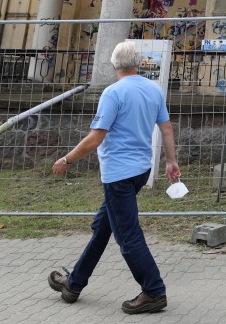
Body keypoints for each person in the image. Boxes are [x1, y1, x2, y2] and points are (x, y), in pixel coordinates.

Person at [48, 40, 181, 315]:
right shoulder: (153, 89)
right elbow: (166, 128)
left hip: (118, 175)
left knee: (128, 236)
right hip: (140, 171)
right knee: (103, 229)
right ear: (138, 62)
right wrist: (170, 161)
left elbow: (96, 138)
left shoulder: (113, 93)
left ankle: (154, 291)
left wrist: (66, 160)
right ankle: (73, 284)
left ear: (113, 64)